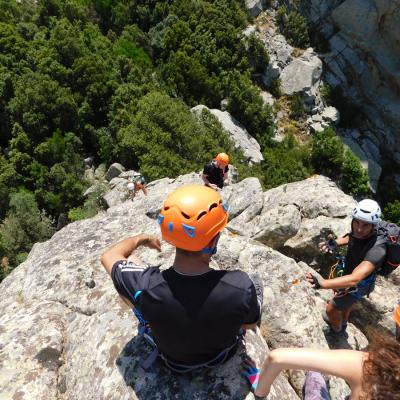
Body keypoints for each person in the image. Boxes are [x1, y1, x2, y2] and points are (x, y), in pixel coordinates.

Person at [101, 185, 263, 372]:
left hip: (171, 361)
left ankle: (146, 310)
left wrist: (143, 238)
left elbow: (109, 256)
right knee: (254, 285)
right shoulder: (239, 286)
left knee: (132, 269)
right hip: (219, 357)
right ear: (212, 240)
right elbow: (250, 323)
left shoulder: (147, 285)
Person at [306, 199, 386, 334]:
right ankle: (343, 322)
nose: (359, 228)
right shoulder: (362, 231)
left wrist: (322, 283)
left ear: (374, 226)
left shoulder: (378, 249)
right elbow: (353, 237)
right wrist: (336, 243)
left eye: (365, 225)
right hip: (349, 276)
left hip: (359, 285)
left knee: (331, 309)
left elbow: (355, 279)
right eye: (356, 222)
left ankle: (337, 329)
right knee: (346, 304)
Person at [244, 331, 400, 400]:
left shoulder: (375, 370)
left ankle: (315, 375)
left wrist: (260, 392)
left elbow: (276, 358)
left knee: (315, 380)